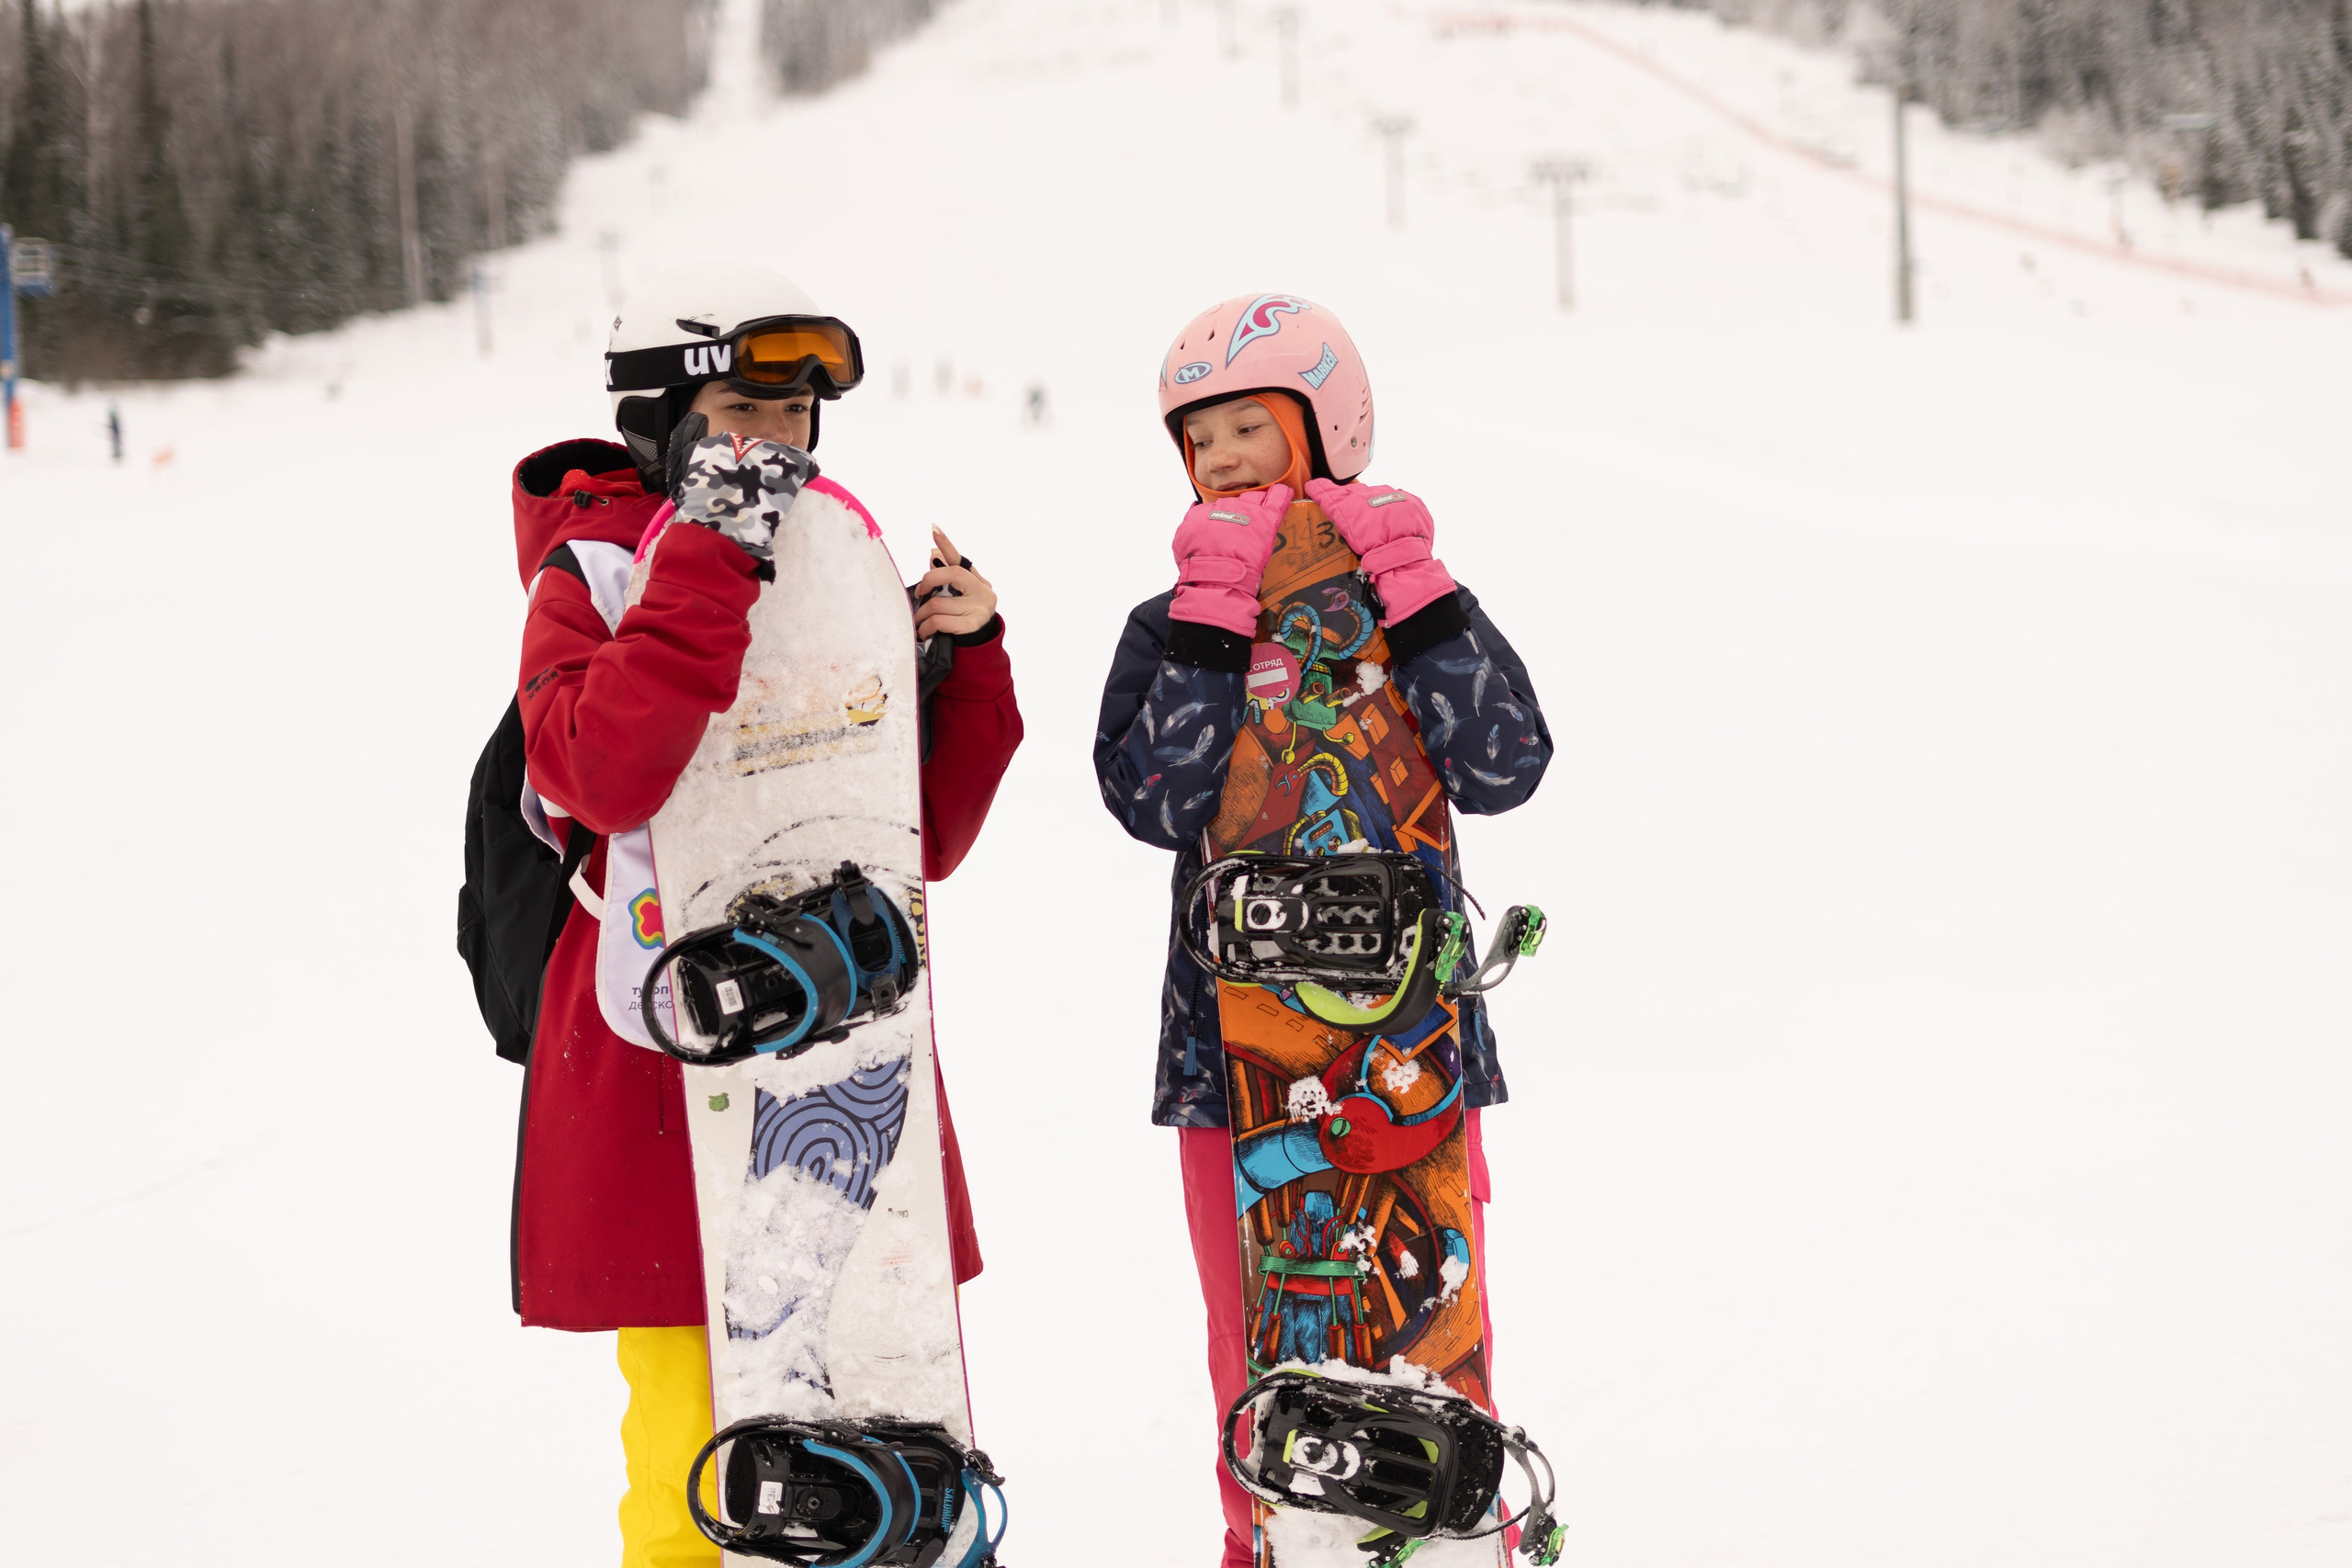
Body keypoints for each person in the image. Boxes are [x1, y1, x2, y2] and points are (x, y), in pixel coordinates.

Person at [506, 261, 1022, 1568]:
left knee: (863, 1426)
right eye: (747, 406)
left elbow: (916, 844)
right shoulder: (595, 579)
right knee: (705, 1459)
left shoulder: (826, 563)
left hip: (836, 1057)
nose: (778, 442)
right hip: (657, 1068)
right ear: (662, 420)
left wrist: (959, 669)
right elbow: (601, 771)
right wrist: (705, 567)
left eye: (798, 413)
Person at [1091, 293, 1552, 1567]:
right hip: (1233, 1063)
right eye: (1204, 440)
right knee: (1256, 1332)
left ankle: (1464, 1532)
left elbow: (1506, 761)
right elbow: (1154, 799)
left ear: (1328, 426)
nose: (1227, 458)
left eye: (1251, 426)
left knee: (1428, 1312)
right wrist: (1209, 623)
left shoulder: (1410, 608)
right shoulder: (1168, 624)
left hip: (1410, 1039)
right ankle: (1265, 1542)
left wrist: (1416, 589)